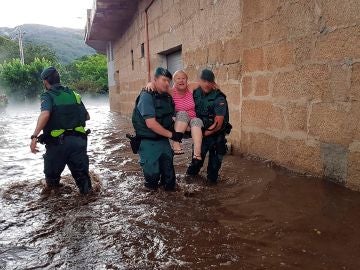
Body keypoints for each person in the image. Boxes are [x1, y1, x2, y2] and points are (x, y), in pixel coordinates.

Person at [30, 67, 92, 195]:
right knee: (84, 181)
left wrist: (34, 136)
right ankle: (88, 201)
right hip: (79, 142)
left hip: (58, 144)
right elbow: (87, 116)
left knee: (51, 184)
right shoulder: (74, 94)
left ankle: (54, 204)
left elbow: (45, 114)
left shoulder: (47, 96)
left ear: (45, 82)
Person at [132, 67, 183, 191]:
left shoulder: (167, 96)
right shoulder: (146, 96)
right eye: (164, 80)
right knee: (152, 180)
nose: (167, 83)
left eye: (168, 81)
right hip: (147, 141)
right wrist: (172, 135)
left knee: (169, 180)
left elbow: (170, 118)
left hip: (163, 141)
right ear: (155, 80)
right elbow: (151, 124)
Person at [146, 70, 204, 160]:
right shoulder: (171, 91)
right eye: (178, 78)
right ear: (174, 81)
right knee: (182, 113)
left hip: (192, 121)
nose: (181, 80)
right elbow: (157, 86)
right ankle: (176, 143)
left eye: (183, 78)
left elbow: (204, 83)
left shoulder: (190, 87)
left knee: (197, 121)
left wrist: (215, 85)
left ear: (187, 80)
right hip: (180, 121)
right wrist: (150, 84)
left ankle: (197, 153)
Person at [187, 69, 230, 183]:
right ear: (199, 81)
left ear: (213, 82)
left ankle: (212, 192)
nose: (207, 84)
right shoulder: (195, 92)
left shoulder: (219, 98)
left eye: (209, 81)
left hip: (216, 136)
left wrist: (202, 134)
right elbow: (178, 88)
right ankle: (189, 186)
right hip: (201, 136)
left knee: (213, 171)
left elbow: (218, 124)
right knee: (195, 164)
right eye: (204, 81)